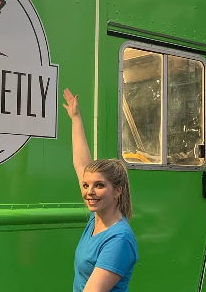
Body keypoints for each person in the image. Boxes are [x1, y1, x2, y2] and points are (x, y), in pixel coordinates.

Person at [63, 87, 139, 292]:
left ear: (117, 190)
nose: (89, 192)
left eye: (99, 185)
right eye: (87, 185)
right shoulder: (96, 220)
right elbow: (81, 165)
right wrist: (76, 119)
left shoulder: (118, 240)